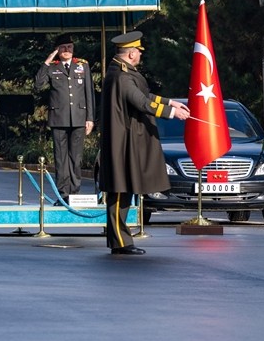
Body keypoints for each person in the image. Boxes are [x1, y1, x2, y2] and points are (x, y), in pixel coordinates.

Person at [98, 31, 189, 255]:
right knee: (119, 193)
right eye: (138, 51)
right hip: (121, 142)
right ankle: (120, 242)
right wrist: (171, 113)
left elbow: (145, 94)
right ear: (130, 54)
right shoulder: (121, 76)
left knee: (123, 191)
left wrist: (170, 102)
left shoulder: (123, 72)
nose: (140, 55)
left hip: (125, 140)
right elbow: (140, 102)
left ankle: (121, 241)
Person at [35, 33, 96, 196]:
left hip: (78, 117)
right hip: (59, 119)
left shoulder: (82, 66)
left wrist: (90, 118)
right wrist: (47, 62)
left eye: (69, 47)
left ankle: (74, 192)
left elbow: (89, 93)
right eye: (63, 47)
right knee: (61, 158)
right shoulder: (52, 67)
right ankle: (63, 193)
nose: (67, 50)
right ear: (57, 50)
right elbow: (38, 84)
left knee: (76, 158)